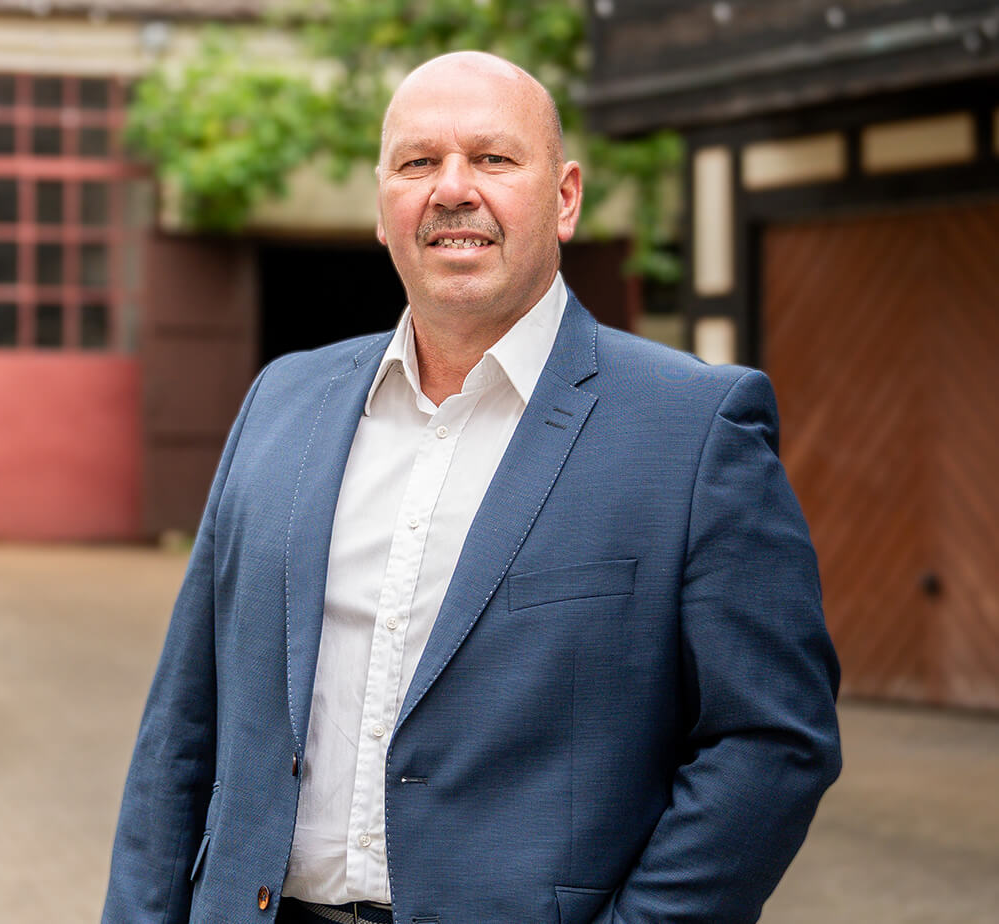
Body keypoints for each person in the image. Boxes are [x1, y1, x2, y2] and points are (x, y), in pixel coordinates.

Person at [103, 52, 841, 924]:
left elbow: (771, 741)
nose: (453, 189)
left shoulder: (692, 430)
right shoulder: (281, 402)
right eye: (418, 163)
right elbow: (181, 732)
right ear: (383, 207)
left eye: (493, 159)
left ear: (564, 198)